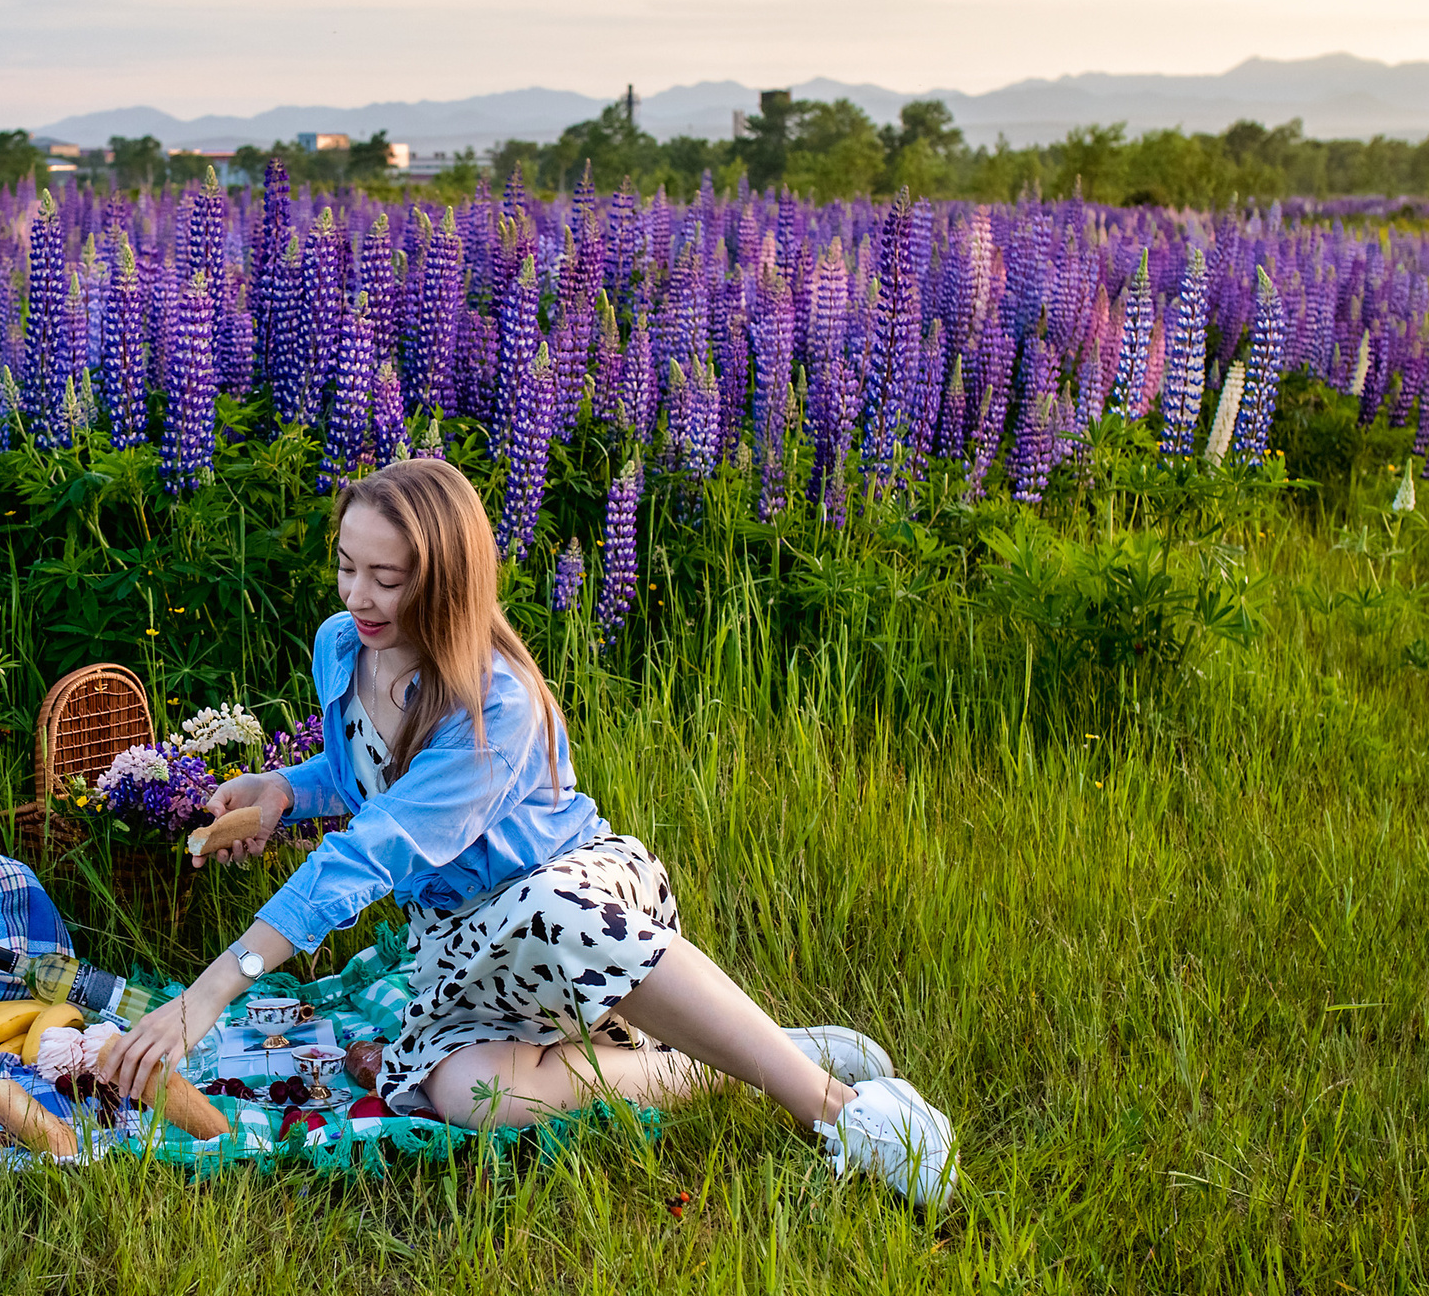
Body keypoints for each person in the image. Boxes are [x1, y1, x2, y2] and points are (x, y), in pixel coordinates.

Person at [98, 459, 954, 1205]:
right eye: (347, 567)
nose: (359, 596)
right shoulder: (342, 647)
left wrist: (209, 991)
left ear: (445, 582)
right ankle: (737, 1054)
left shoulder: (495, 706)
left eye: (387, 578)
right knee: (470, 1095)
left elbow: (380, 844)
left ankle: (841, 1110)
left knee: (549, 907)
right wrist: (286, 786)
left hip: (574, 893)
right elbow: (368, 777)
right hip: (463, 937)